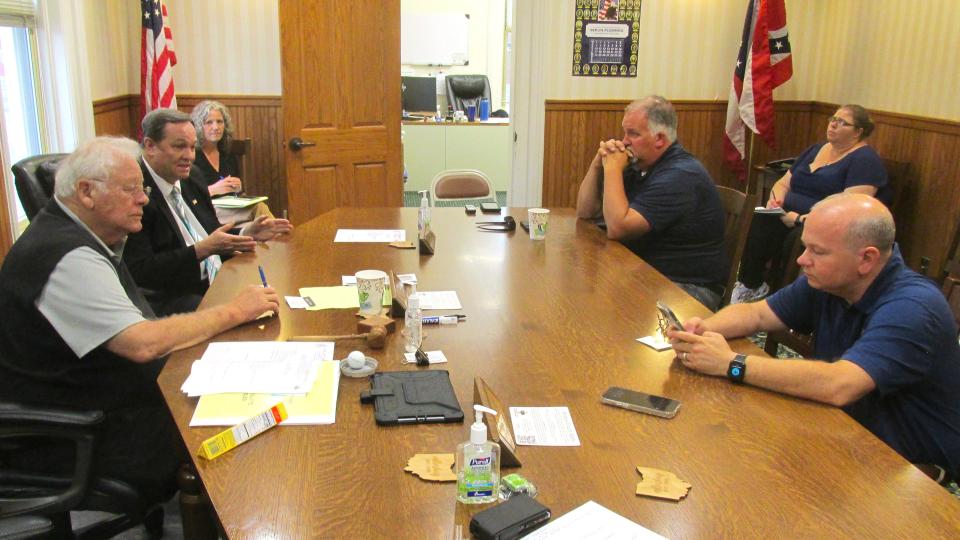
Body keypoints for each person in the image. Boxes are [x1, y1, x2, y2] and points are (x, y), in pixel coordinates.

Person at [0, 136, 281, 507]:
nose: (144, 200)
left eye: (143, 188)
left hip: (108, 401)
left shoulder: (88, 236)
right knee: (231, 428)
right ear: (86, 192)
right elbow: (142, 343)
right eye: (131, 189)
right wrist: (233, 312)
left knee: (245, 402)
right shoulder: (66, 257)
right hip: (74, 433)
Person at [669, 194, 960, 482]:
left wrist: (730, 363)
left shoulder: (913, 307)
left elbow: (840, 384)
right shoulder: (831, 279)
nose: (801, 259)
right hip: (838, 427)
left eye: (816, 251)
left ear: (866, 259)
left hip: (906, 467)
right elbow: (757, 314)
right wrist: (703, 330)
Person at [125, 108, 292, 316]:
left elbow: (210, 232)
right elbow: (141, 271)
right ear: (150, 146)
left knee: (280, 291)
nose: (189, 156)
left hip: (216, 279)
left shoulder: (191, 177)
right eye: (179, 147)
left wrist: (247, 232)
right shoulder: (135, 192)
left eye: (192, 147)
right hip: (174, 297)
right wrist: (201, 250)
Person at [576, 95, 727, 310]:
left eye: (633, 134)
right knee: (584, 297)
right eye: (625, 132)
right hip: (645, 273)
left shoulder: (681, 174)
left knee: (597, 308)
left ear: (660, 139)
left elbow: (618, 228)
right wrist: (597, 165)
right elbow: (585, 212)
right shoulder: (640, 165)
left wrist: (612, 169)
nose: (624, 141)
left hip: (688, 289)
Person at [731, 104, 889, 304]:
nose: (833, 125)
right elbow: (783, 182)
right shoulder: (816, 149)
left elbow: (851, 208)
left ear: (859, 132)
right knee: (760, 218)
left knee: (797, 239)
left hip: (829, 226)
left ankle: (782, 298)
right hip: (785, 213)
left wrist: (800, 219)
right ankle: (751, 285)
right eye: (833, 119)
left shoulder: (865, 160)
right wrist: (775, 200)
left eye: (842, 123)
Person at [190, 100, 274, 223]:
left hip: (231, 208)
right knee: (259, 209)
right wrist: (213, 189)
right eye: (209, 122)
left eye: (220, 122)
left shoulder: (227, 154)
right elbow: (187, 197)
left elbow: (239, 192)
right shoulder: (192, 156)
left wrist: (237, 186)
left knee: (257, 221)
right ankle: (282, 238)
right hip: (203, 210)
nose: (216, 127)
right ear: (198, 126)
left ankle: (278, 236)